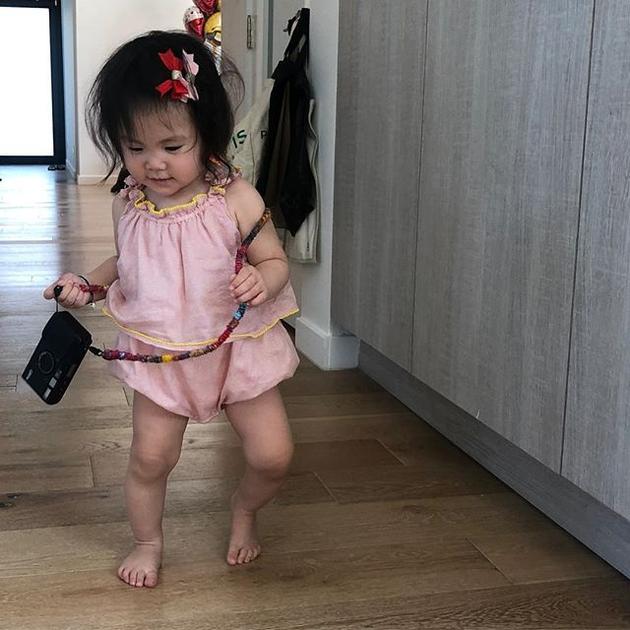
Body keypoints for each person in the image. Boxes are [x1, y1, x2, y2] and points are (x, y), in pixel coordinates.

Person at [43, 31, 300, 588]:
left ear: (205, 135)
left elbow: (275, 260)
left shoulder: (236, 199)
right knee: (150, 460)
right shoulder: (129, 204)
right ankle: (147, 541)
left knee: (273, 456)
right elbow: (126, 261)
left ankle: (245, 509)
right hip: (163, 354)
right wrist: (88, 284)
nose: (153, 164)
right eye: (134, 148)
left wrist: (264, 277)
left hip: (237, 351)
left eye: (172, 147)